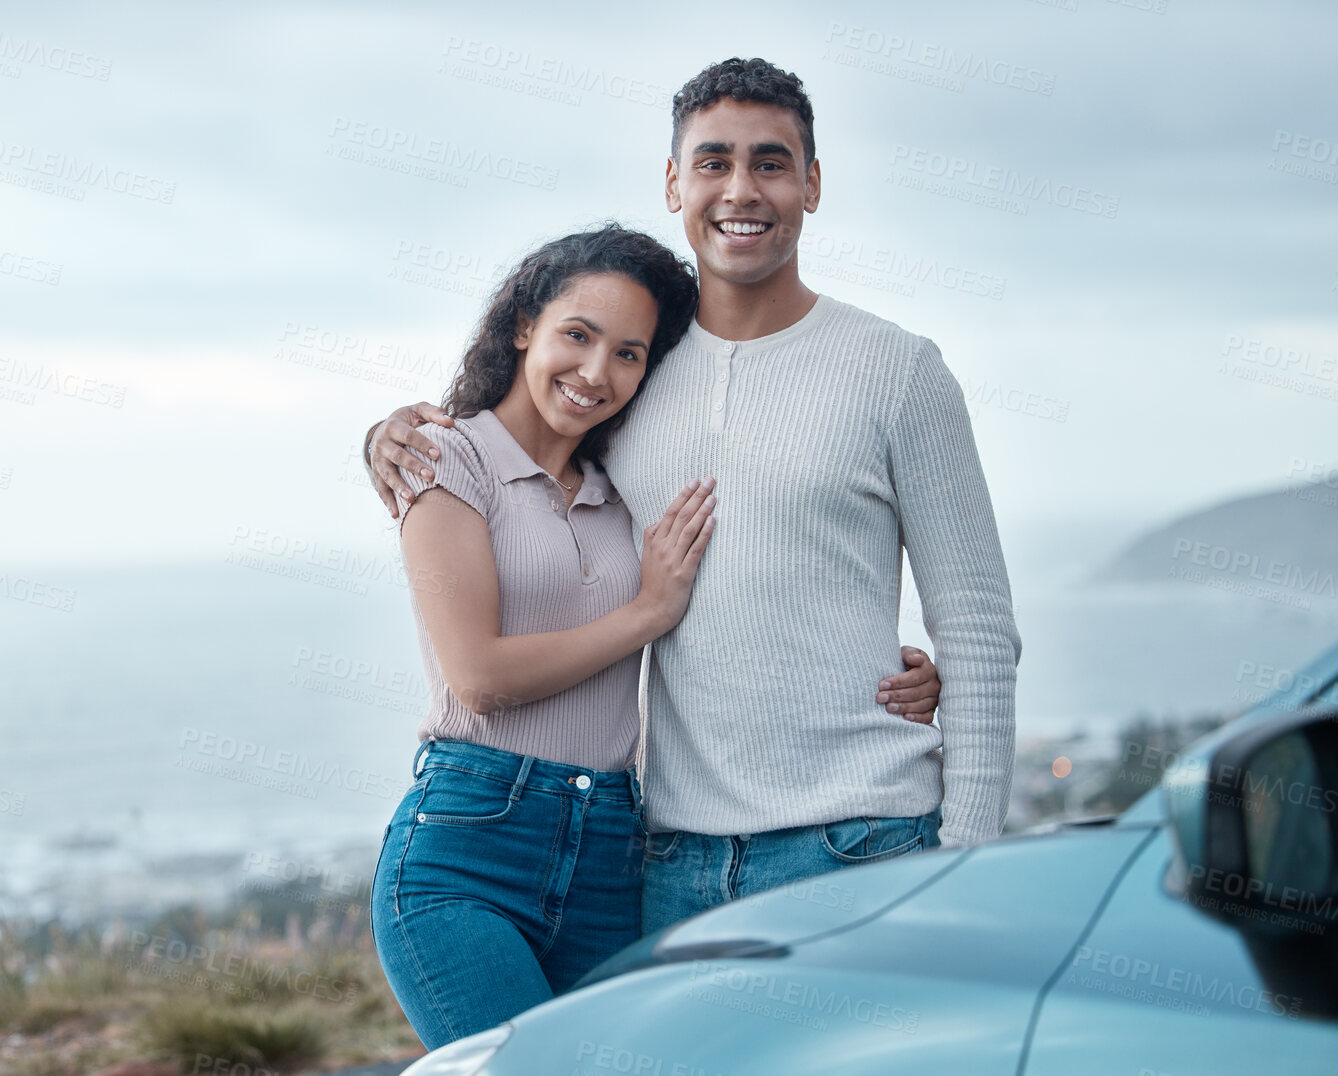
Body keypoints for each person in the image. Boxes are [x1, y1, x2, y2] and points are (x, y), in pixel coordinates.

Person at [364, 57, 1019, 940]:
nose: (741, 189)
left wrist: (964, 859)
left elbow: (976, 630)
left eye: (771, 163)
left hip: (866, 846)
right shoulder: (634, 377)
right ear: (674, 185)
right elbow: (520, 467)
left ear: (812, 184)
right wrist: (384, 436)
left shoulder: (898, 372)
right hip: (671, 868)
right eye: (713, 162)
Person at [368, 223, 943, 1049]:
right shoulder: (444, 457)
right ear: (523, 323)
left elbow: (756, 580)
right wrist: (645, 612)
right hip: (470, 846)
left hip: (612, 847)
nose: (597, 373)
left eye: (630, 354)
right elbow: (480, 677)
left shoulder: (625, 482)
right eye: (577, 334)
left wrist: (887, 669)